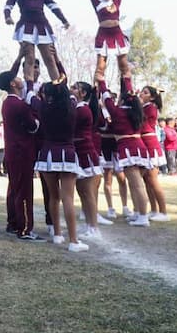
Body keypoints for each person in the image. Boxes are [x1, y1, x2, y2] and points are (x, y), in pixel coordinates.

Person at [35, 78, 89, 252]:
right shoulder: (72, 107)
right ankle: (73, 241)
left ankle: (57, 234)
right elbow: (67, 88)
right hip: (67, 153)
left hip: (47, 154)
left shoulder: (42, 107)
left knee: (53, 196)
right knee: (68, 198)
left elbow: (30, 91)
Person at [3, 0, 69, 88]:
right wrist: (7, 16)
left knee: (49, 58)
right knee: (29, 58)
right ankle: (30, 90)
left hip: (42, 25)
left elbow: (52, 5)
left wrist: (64, 20)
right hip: (25, 26)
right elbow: (8, 5)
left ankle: (58, 89)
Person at [98, 77, 151, 226]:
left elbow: (106, 96)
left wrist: (101, 80)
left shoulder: (118, 112)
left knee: (137, 185)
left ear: (123, 101)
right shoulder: (136, 111)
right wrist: (126, 78)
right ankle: (137, 212)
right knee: (135, 184)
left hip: (129, 148)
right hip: (139, 147)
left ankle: (143, 216)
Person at [0, 69, 42, 241]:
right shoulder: (20, 104)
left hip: (13, 151)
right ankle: (24, 228)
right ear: (12, 84)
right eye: (17, 78)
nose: (20, 79)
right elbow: (34, 126)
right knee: (24, 189)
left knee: (14, 188)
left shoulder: (7, 103)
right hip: (22, 151)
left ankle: (13, 222)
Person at [76, 0, 132, 82]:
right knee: (100, 67)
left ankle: (128, 93)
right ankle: (98, 93)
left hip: (117, 33)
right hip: (103, 34)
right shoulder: (96, 3)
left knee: (123, 66)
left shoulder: (117, 0)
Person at [71, 81, 109, 238]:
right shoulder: (79, 108)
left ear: (83, 93)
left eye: (74, 88)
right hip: (80, 153)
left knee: (87, 193)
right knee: (82, 193)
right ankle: (89, 225)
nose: (71, 89)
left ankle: (94, 228)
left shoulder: (82, 110)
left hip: (86, 153)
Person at [138, 86, 169, 221]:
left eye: (145, 93)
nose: (141, 94)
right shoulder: (144, 107)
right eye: (142, 92)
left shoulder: (150, 107)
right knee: (147, 181)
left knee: (153, 180)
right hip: (144, 143)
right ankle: (154, 210)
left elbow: (143, 124)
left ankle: (163, 212)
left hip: (150, 144)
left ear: (151, 97)